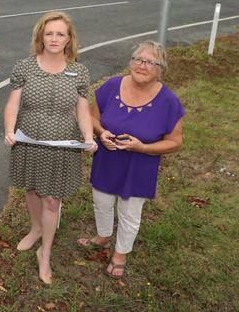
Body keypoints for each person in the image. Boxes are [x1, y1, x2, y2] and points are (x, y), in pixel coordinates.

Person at [3, 11, 96, 284]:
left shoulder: (79, 71)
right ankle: (35, 230)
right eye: (49, 33)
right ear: (40, 37)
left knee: (52, 199)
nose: (54, 38)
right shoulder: (25, 67)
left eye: (60, 34)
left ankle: (45, 253)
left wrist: (89, 137)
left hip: (62, 144)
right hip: (30, 141)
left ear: (69, 39)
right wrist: (9, 130)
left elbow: (82, 110)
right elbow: (13, 104)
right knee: (33, 188)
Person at [78, 40, 184, 278]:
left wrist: (143, 147)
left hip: (140, 166)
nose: (142, 65)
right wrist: (101, 132)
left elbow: (175, 141)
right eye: (138, 59)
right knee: (102, 203)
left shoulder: (169, 101)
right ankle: (103, 237)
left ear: (161, 69)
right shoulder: (112, 85)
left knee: (129, 213)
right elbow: (92, 117)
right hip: (107, 160)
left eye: (150, 62)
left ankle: (120, 254)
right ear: (131, 62)